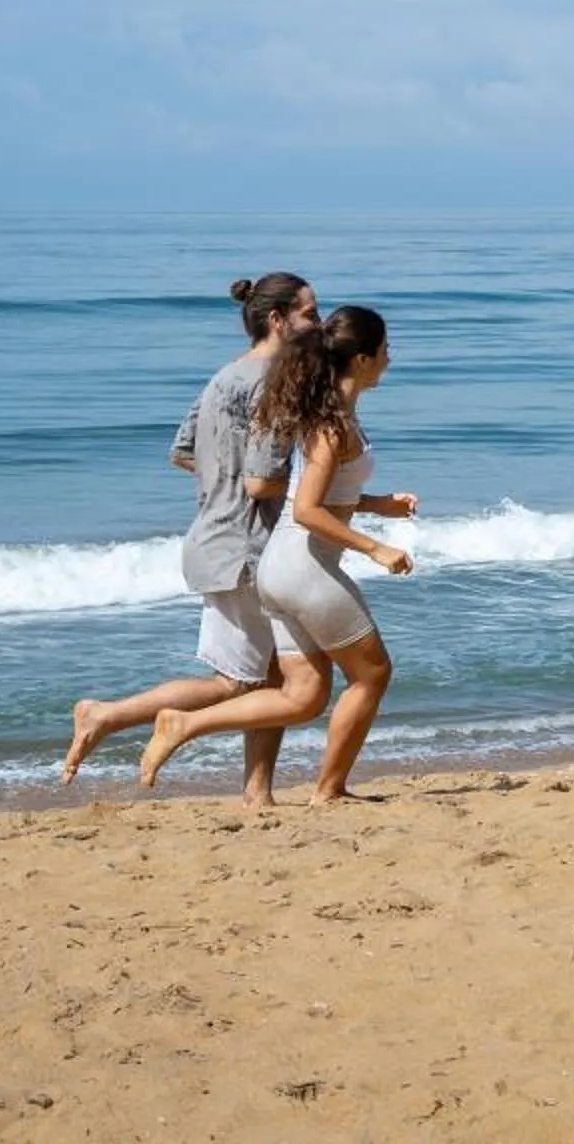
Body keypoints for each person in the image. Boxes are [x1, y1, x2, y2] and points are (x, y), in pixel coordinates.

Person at [60, 274, 325, 807]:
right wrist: (302, 487)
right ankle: (110, 714)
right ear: (278, 321)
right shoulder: (278, 382)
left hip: (212, 536)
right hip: (247, 546)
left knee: (264, 678)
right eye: (310, 314)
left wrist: (221, 482)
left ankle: (257, 793)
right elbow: (260, 481)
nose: (319, 324)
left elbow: (182, 451)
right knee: (242, 685)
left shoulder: (223, 377)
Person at [139, 305, 414, 803]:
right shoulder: (334, 426)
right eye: (385, 350)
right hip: (305, 568)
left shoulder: (332, 415)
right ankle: (329, 789)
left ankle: (183, 724)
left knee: (303, 696)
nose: (390, 359)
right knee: (372, 674)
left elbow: (318, 496)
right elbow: (308, 510)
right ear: (362, 359)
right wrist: (376, 547)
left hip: (280, 570)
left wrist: (379, 506)